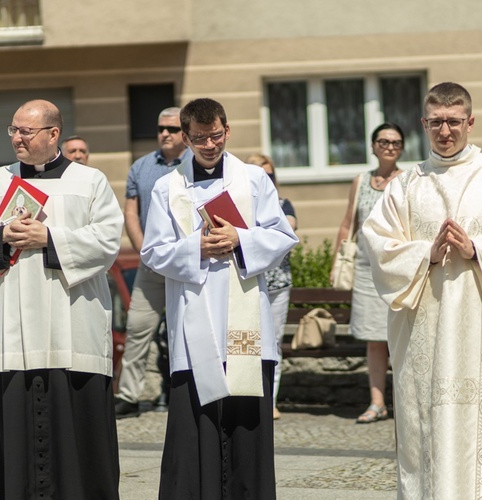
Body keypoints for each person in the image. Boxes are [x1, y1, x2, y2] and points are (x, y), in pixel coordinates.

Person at [362, 82, 482, 498]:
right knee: (429, 432)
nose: (445, 131)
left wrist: (478, 248)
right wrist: (428, 254)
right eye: (436, 122)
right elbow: (378, 243)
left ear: (470, 122)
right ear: (424, 123)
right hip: (428, 331)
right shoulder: (406, 184)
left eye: (454, 122)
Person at [0, 99, 124, 499]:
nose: (16, 138)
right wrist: (1, 236)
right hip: (16, 334)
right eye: (12, 130)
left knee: (79, 439)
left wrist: (50, 238)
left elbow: (108, 240)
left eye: (25, 131)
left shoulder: (89, 181)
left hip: (73, 332)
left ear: (53, 134)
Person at [141, 98, 298, 499]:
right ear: (185, 138)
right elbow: (153, 252)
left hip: (245, 317)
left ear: (227, 131)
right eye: (199, 139)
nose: (209, 145)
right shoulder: (168, 187)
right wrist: (197, 248)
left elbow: (282, 237)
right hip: (195, 318)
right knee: (196, 428)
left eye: (215, 136)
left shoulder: (254, 179)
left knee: (246, 427)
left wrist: (240, 239)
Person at [114, 106, 192, 419]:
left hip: (187, 263)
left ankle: (185, 391)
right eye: (161, 128)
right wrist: (144, 249)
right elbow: (131, 211)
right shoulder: (142, 167)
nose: (164, 134)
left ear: (185, 133)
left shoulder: (196, 163)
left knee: (185, 330)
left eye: (172, 129)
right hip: (152, 264)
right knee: (138, 328)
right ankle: (130, 396)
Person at [331, 123, 405, 424]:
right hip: (364, 269)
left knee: (403, 336)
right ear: (373, 146)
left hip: (399, 268)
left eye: (396, 142)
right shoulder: (360, 180)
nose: (389, 147)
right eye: (384, 141)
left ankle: (405, 400)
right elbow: (350, 222)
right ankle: (377, 402)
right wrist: (339, 259)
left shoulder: (409, 179)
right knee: (374, 338)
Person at [245, 153, 297, 421]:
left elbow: (288, 230)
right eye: (258, 174)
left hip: (277, 285)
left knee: (274, 342)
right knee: (246, 340)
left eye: (269, 175)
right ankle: (249, 395)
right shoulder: (241, 203)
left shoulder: (282, 204)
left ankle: (271, 400)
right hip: (248, 284)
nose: (265, 180)